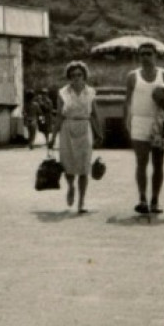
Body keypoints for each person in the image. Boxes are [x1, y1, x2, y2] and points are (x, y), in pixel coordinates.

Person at [126, 42, 164, 216]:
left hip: (159, 123)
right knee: (141, 162)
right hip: (139, 122)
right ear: (138, 56)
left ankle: (155, 200)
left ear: (156, 55)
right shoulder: (133, 76)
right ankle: (142, 199)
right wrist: (127, 120)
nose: (145, 57)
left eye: (149, 53)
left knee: (158, 163)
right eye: (142, 54)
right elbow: (127, 101)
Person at [56, 61, 100, 214]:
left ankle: (81, 202)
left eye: (79, 75)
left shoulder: (90, 92)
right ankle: (71, 187)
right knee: (67, 164)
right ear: (69, 77)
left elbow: (94, 114)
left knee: (84, 166)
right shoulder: (63, 92)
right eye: (73, 75)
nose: (76, 78)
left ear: (84, 76)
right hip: (67, 128)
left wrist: (99, 132)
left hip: (84, 127)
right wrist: (52, 135)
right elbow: (58, 115)